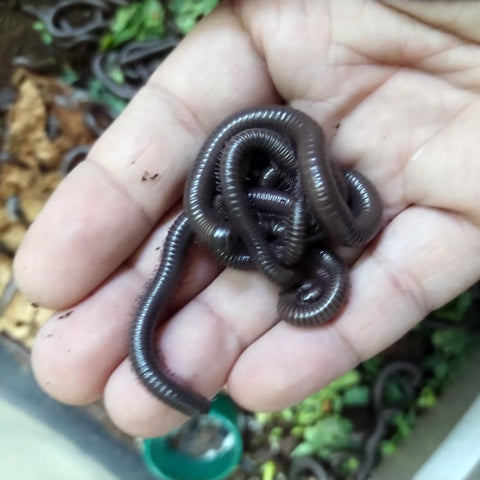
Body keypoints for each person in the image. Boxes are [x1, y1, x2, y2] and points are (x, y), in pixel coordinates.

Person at [13, 0, 480, 437]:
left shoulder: (291, 223)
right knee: (223, 213)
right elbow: (277, 234)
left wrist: (276, 227)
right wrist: (271, 227)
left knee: (251, 209)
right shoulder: (267, 220)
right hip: (268, 212)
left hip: (274, 212)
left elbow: (299, 236)